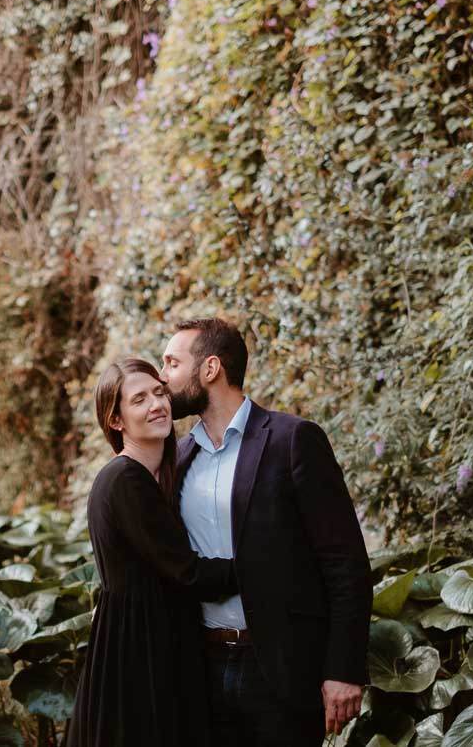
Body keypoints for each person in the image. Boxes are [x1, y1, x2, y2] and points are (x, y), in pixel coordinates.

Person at [161, 317, 373, 746]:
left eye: (171, 363)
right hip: (201, 667)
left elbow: (345, 562)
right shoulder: (177, 456)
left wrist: (343, 670)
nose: (162, 377)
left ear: (210, 369)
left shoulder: (293, 440)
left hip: (281, 667)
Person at [65, 358, 238, 747]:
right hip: (138, 648)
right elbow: (186, 572)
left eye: (160, 392)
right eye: (139, 399)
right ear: (116, 420)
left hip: (162, 637)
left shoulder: (164, 473)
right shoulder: (125, 480)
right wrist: (260, 565)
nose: (156, 405)